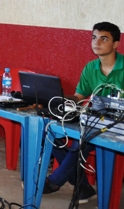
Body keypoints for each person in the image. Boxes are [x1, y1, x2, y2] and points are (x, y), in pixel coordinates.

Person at [44, 21, 124, 204]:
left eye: (104, 39)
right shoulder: (90, 67)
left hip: (118, 126)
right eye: (94, 37)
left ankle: (55, 182)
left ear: (115, 44)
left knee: (84, 138)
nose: (97, 42)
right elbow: (79, 96)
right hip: (95, 120)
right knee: (49, 129)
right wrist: (58, 99)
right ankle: (83, 187)